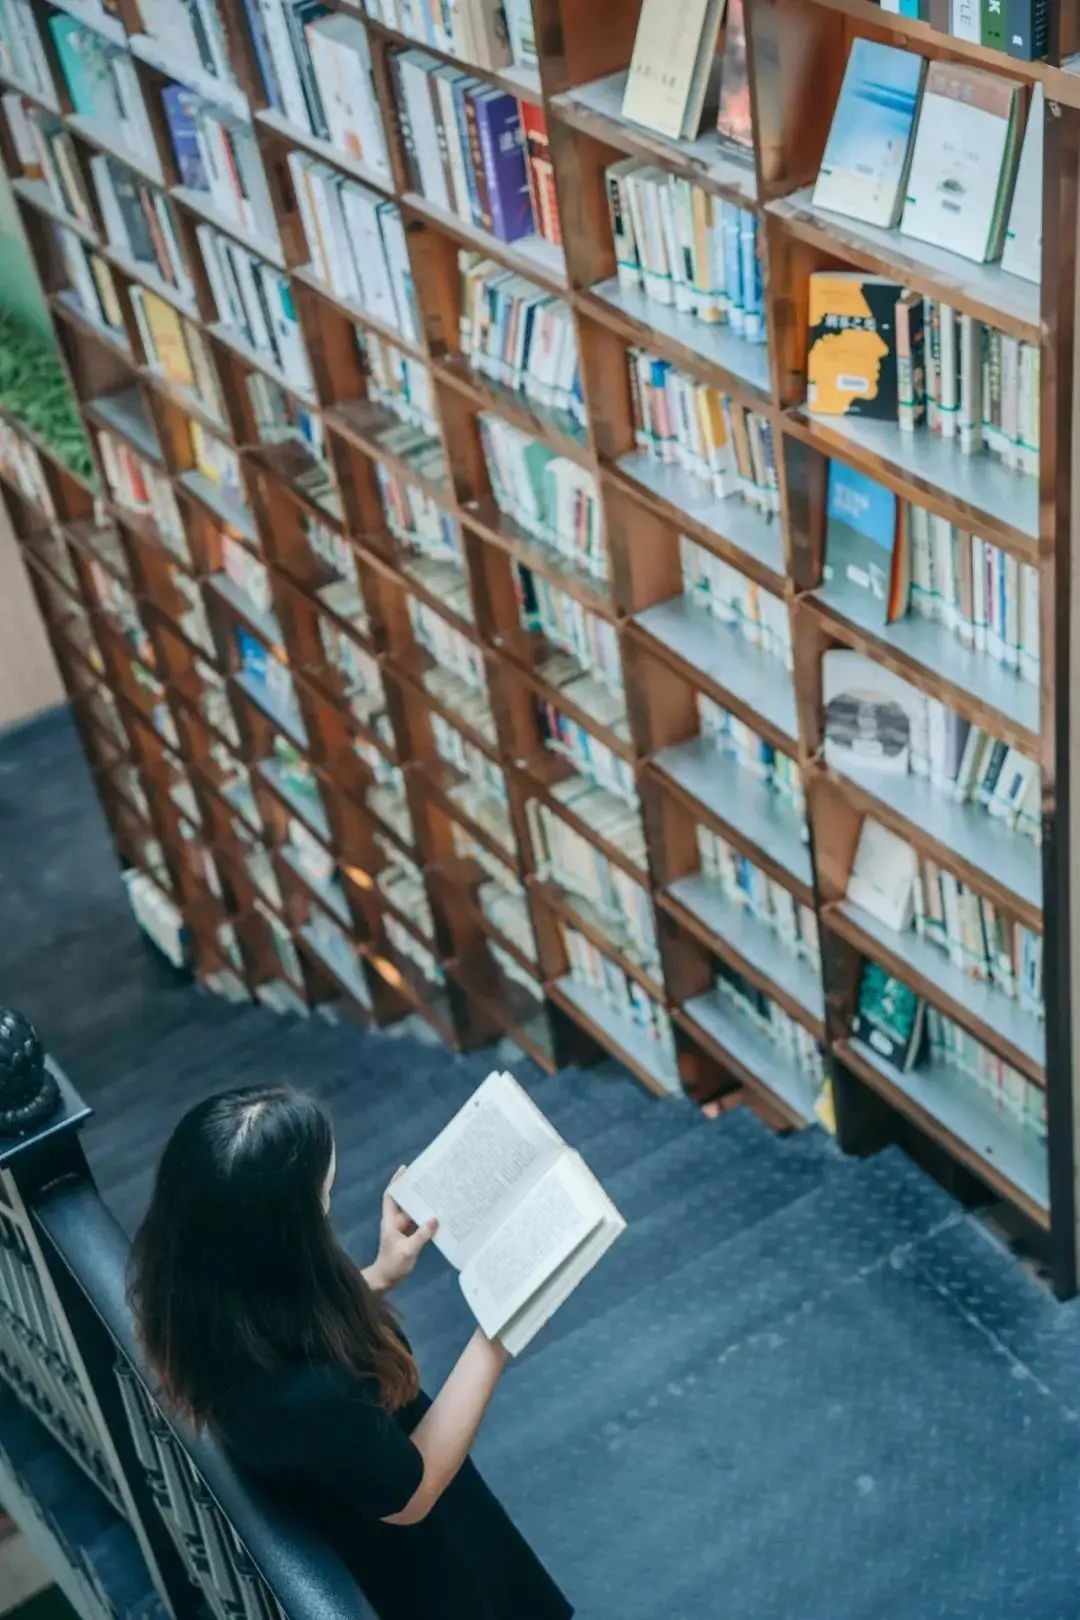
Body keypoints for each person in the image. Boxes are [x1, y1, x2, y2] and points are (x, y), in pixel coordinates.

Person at [128, 1084, 572, 1620]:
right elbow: (413, 1493)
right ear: (282, 1236)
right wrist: (496, 1336)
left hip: (349, 1489)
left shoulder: (195, 1296)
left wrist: (379, 1277)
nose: (328, 1207)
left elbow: (274, 1329)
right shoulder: (309, 1397)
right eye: (322, 1197)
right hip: (415, 1567)